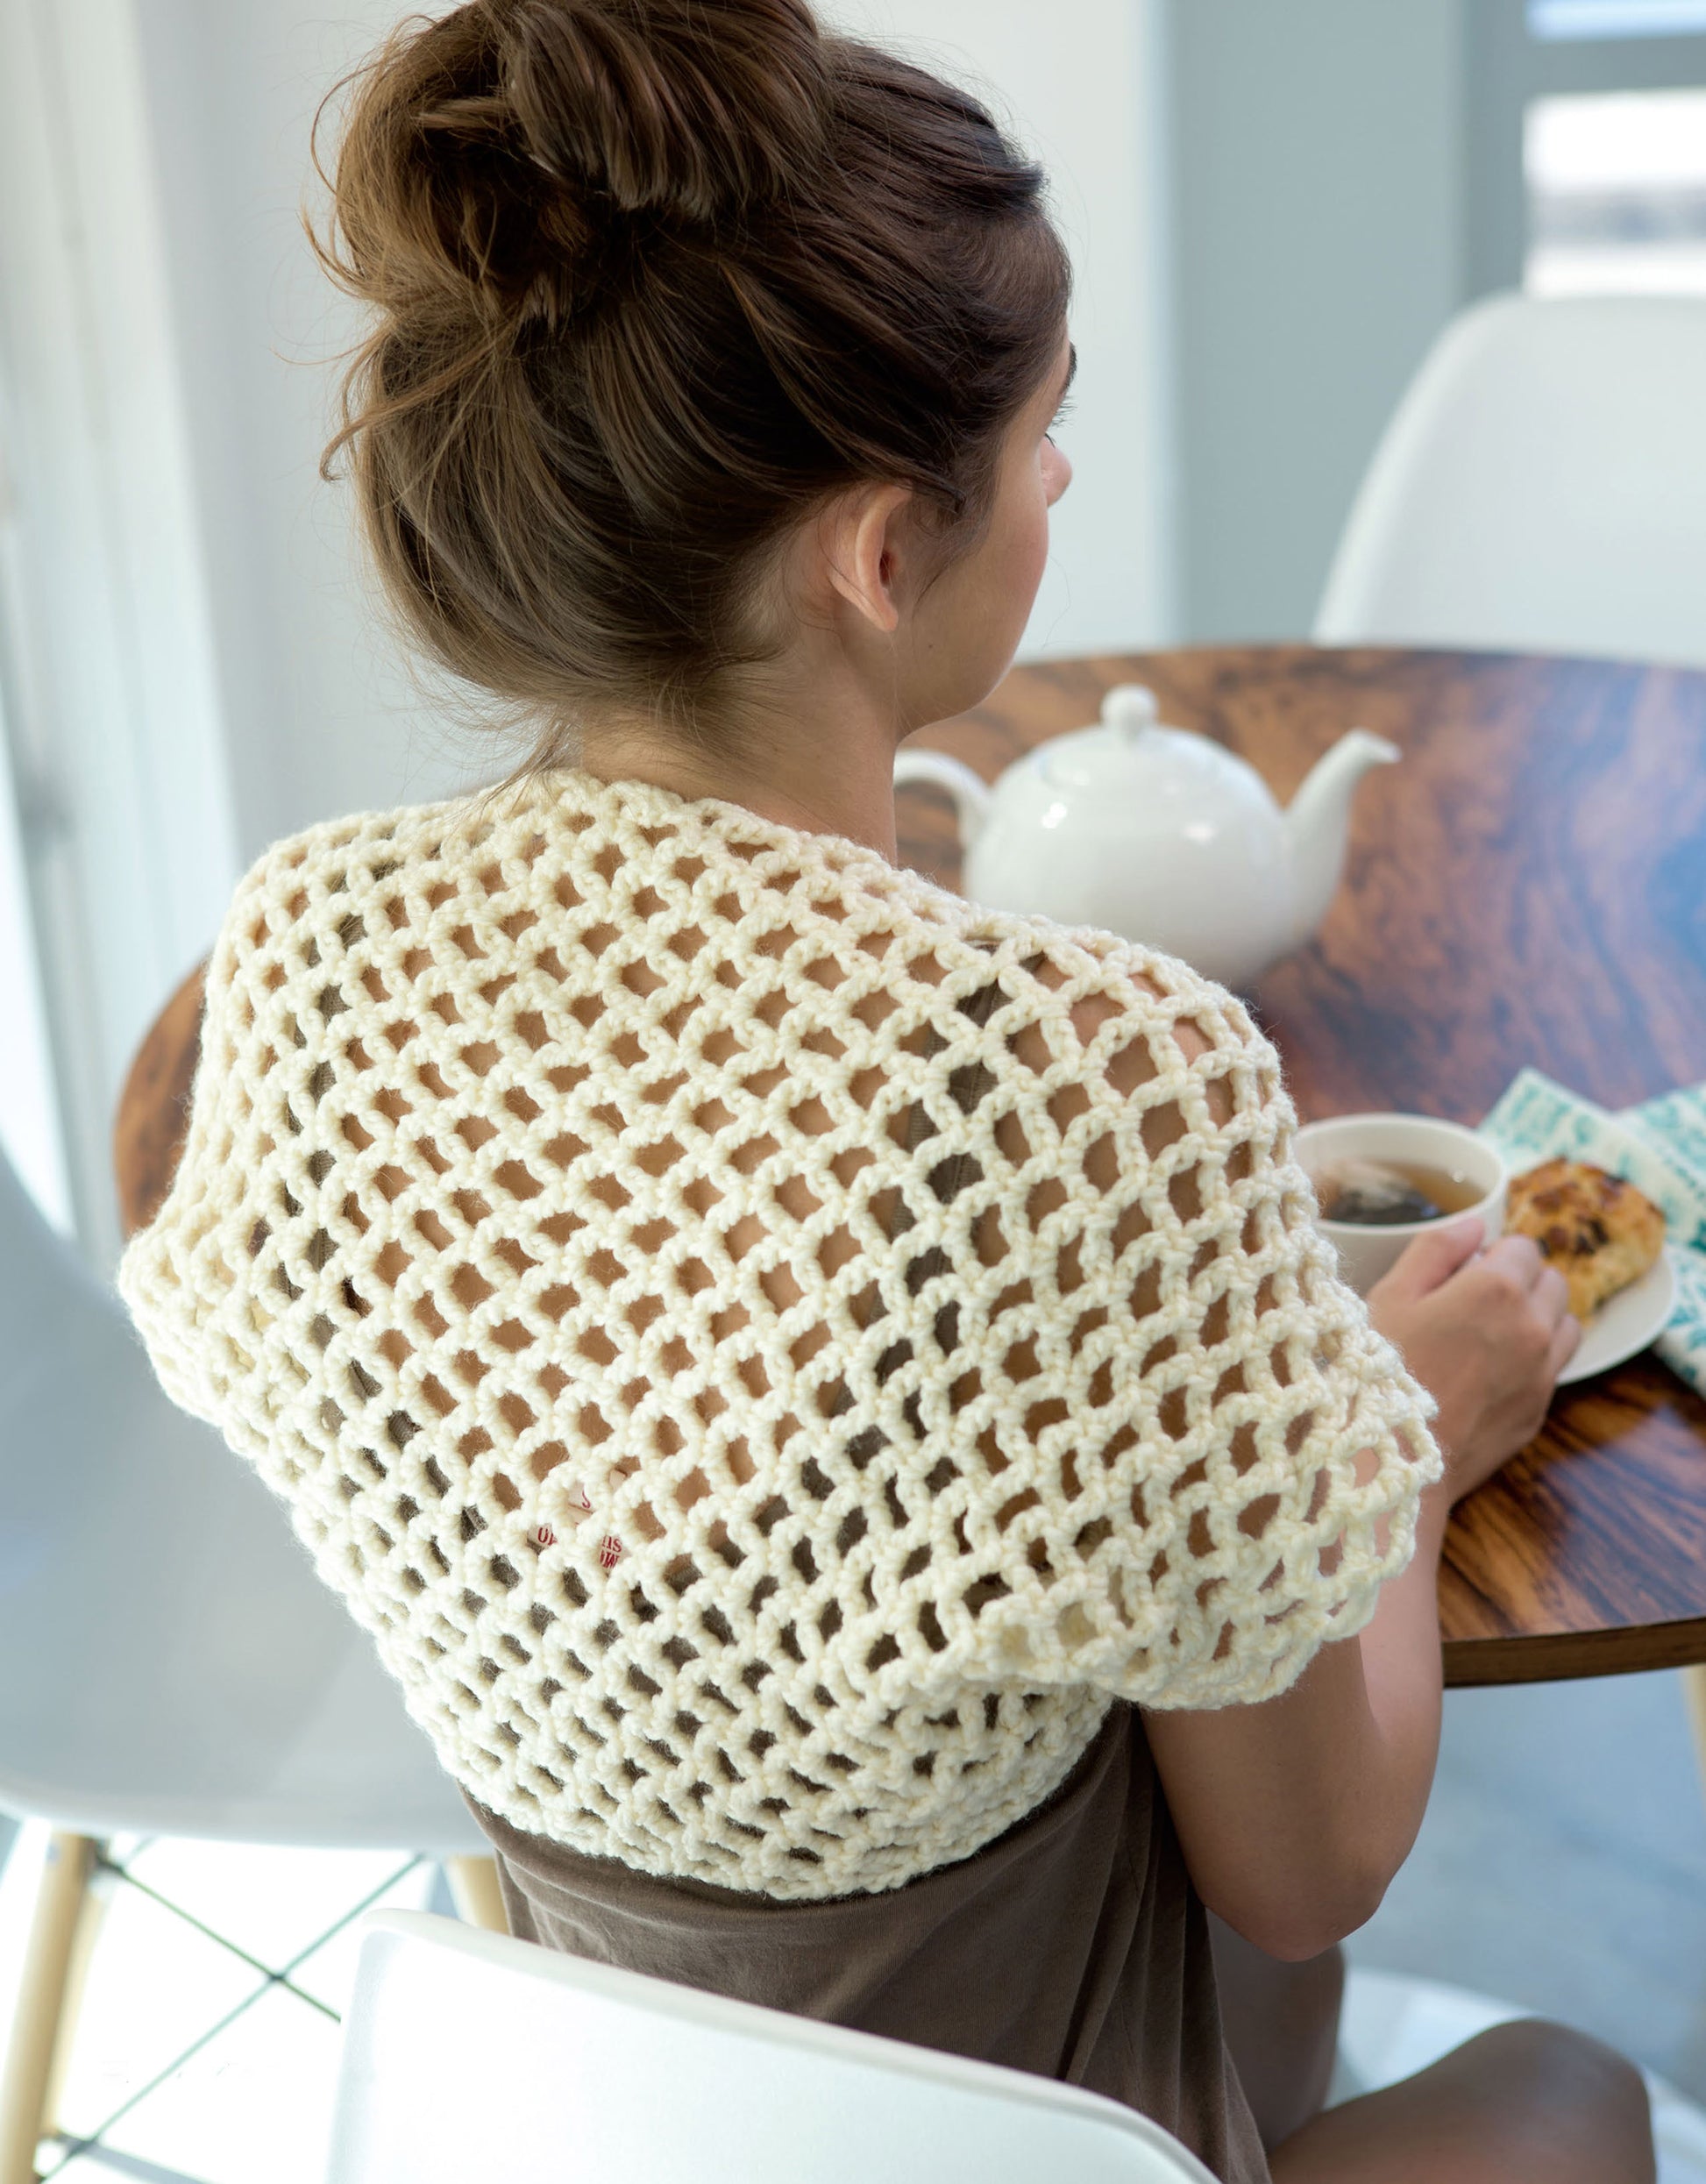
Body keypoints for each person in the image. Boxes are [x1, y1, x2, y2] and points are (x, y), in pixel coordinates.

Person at [119, 3, 1655, 2177]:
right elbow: (1312, 1873)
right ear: (874, 550)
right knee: (1570, 2091)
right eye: (1044, 434)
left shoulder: (313, 960)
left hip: (584, 2115)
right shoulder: (1083, 1082)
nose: (1055, 483)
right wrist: (1391, 1433)